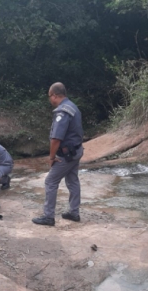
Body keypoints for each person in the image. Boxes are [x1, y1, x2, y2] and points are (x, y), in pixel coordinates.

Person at [32, 82, 84, 226]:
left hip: (66, 155)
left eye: (50, 96)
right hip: (76, 151)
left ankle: (48, 216)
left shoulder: (62, 112)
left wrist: (52, 157)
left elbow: (56, 139)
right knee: (72, 180)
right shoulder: (73, 107)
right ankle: (74, 213)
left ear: (54, 95)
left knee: (50, 181)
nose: (50, 100)